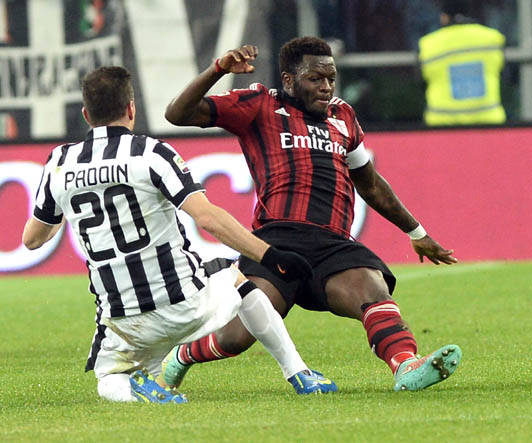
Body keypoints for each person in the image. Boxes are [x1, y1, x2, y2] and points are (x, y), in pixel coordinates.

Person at [161, 36, 462, 392]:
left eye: (330, 78)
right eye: (315, 79)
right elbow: (176, 114)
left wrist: (417, 233)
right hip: (275, 242)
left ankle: (407, 366)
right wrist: (218, 70)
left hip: (332, 245)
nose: (326, 87)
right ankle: (181, 356)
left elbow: (370, 184)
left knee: (373, 290)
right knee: (237, 337)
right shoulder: (259, 104)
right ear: (288, 80)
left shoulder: (343, 116)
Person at [21, 66, 337, 403]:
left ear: (86, 114)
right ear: (131, 108)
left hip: (121, 319)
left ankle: (136, 391)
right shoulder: (152, 153)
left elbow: (32, 239)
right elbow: (207, 217)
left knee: (109, 379)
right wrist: (270, 256)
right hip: (183, 304)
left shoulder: (60, 162)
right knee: (238, 279)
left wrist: (67, 207)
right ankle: (299, 373)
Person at [418, 0, 506, 126]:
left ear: (444, 16)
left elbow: (420, 81)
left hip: (441, 125)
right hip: (488, 124)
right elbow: (504, 74)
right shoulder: (492, 38)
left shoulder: (429, 44)